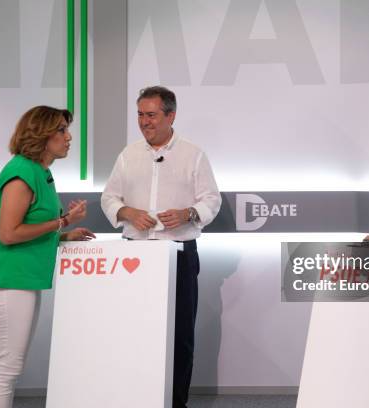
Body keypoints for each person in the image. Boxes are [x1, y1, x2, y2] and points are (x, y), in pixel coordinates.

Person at [101, 86, 221, 408]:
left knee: (180, 336)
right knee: (135, 332)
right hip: (136, 254)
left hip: (179, 253)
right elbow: (109, 198)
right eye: (140, 114)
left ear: (171, 115)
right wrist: (127, 212)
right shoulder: (128, 155)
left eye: (151, 115)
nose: (144, 122)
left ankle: (176, 402)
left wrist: (188, 213)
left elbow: (211, 200)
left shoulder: (193, 154)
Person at [0, 106, 95, 408]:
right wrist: (63, 222)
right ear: (41, 134)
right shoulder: (22, 172)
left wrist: (64, 236)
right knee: (6, 369)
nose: (69, 138)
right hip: (7, 280)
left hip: (20, 279)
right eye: (62, 131)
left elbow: (30, 229)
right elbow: (9, 233)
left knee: (9, 367)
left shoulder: (40, 172)